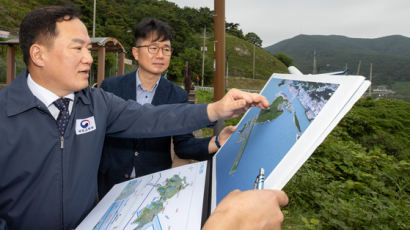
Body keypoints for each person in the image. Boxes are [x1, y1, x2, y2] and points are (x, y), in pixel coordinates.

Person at [0, 6, 286, 230]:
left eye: (89, 48)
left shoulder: (97, 103)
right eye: (78, 48)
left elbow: (151, 118)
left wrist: (214, 110)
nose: (89, 58)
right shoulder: (5, 115)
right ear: (38, 54)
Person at [98, 18, 234, 197]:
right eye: (153, 48)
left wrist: (216, 142)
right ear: (136, 53)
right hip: (110, 184)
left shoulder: (176, 95)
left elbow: (183, 145)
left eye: (166, 49)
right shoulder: (111, 87)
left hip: (152, 185)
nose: (160, 55)